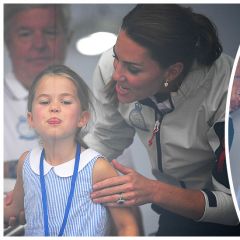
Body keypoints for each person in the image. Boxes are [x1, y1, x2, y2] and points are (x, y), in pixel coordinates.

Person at [83, 4, 240, 235]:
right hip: (171, 212)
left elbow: (232, 206)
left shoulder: (226, 94)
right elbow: (106, 138)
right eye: (117, 57)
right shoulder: (112, 66)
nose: (116, 74)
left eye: (133, 69)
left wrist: (153, 191)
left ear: (172, 72)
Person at [4, 64, 139, 236]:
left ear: (82, 118)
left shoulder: (98, 167)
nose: (54, 107)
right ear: (31, 119)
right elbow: (12, 210)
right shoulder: (26, 163)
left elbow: (126, 226)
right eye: (44, 102)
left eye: (66, 101)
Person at [4, 4, 71, 178]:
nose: (39, 44)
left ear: (68, 38)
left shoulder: (97, 105)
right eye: (25, 34)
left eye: (50, 32)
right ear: (6, 40)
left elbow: (123, 193)